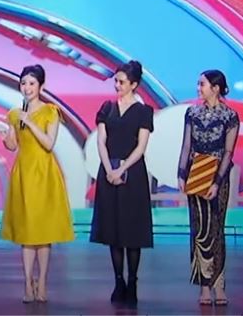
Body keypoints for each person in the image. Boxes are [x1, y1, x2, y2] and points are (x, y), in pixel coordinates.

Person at [0, 64, 74, 303]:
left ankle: (42, 283)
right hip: (24, 173)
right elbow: (13, 145)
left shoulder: (50, 111)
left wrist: (30, 122)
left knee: (42, 231)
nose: (27, 88)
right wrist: (6, 138)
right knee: (27, 232)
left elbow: (49, 144)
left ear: (41, 86)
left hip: (44, 174)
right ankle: (27, 283)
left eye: (31, 83)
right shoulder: (14, 114)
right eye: (23, 83)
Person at [89, 60, 153, 308]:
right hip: (109, 173)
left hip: (133, 174)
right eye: (115, 81)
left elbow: (141, 146)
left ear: (134, 84)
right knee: (113, 229)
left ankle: (133, 281)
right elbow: (101, 141)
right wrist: (109, 169)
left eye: (122, 82)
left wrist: (122, 169)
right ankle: (118, 281)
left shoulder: (143, 111)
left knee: (131, 231)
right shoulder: (107, 108)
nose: (117, 85)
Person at [177, 70, 240, 306]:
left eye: (202, 84)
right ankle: (204, 286)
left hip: (217, 176)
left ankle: (219, 284)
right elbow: (186, 146)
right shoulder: (192, 113)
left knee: (216, 229)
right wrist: (181, 173)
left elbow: (229, 152)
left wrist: (217, 181)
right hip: (196, 174)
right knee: (198, 228)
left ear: (216, 88)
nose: (198, 88)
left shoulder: (229, 116)